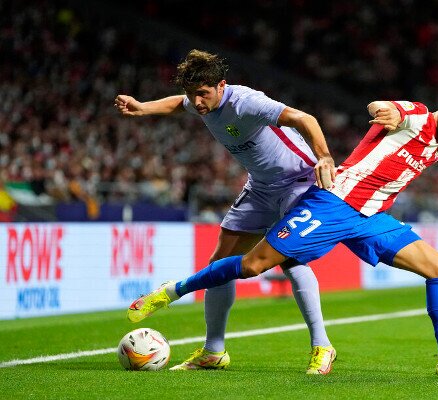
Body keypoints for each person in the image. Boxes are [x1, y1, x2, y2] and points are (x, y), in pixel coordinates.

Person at [127, 88, 438, 376]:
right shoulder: (417, 115)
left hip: (372, 219)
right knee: (251, 266)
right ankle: (176, 288)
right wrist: (382, 109)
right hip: (333, 203)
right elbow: (387, 109)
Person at [115, 49, 338, 374]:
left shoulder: (247, 101)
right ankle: (214, 350)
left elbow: (305, 118)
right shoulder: (199, 99)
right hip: (260, 187)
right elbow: (180, 103)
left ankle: (322, 346)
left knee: (289, 258)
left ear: (222, 85)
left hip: (298, 180)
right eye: (194, 94)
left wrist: (325, 157)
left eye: (203, 94)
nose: (198, 102)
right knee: (219, 263)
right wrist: (143, 107)